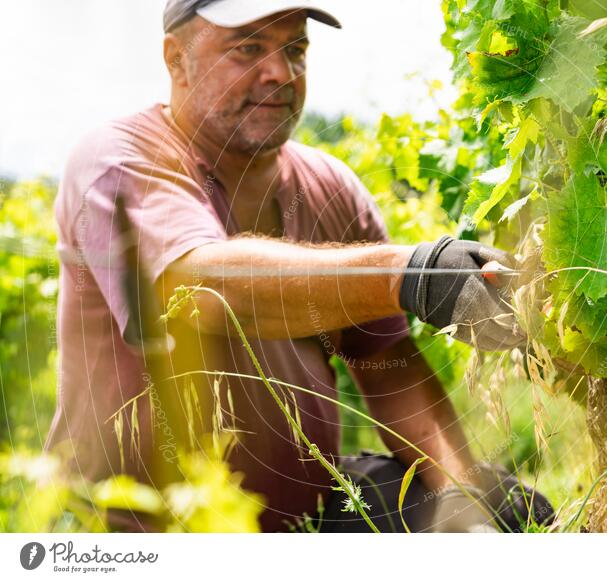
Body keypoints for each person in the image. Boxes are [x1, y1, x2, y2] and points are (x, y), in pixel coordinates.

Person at [46, 0, 553, 532]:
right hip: (140, 530)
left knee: (516, 515)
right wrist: (412, 275)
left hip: (302, 522)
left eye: (296, 49)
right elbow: (201, 286)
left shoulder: (330, 188)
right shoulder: (119, 162)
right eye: (248, 48)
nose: (280, 72)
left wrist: (462, 498)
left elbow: (388, 366)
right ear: (177, 59)